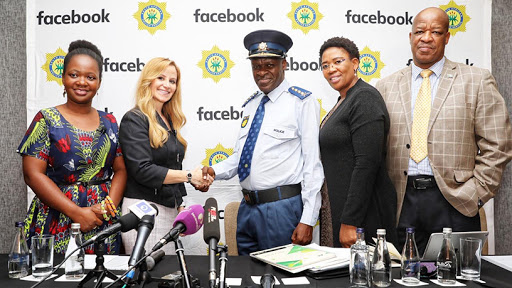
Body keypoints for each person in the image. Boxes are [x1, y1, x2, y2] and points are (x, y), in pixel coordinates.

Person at [376, 7, 512, 255]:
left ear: (447, 37)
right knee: (403, 277)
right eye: (419, 31)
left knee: (458, 277)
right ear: (410, 37)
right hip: (401, 204)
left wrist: (475, 194)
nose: (426, 37)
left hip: (456, 202)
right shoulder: (386, 86)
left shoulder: (476, 80)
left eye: (435, 31)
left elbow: (498, 145)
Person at [199, 29, 324, 255]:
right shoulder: (251, 105)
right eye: (257, 66)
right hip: (247, 210)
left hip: (282, 210)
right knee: (248, 277)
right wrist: (213, 171)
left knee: (281, 278)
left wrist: (308, 219)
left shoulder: (301, 102)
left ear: (284, 64)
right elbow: (241, 157)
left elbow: (313, 165)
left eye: (269, 65)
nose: (262, 72)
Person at [17, 40, 127, 254]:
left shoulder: (110, 122)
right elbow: (32, 175)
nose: (82, 82)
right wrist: (77, 213)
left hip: (102, 221)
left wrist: (107, 207)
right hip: (56, 218)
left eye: (90, 77)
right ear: (63, 78)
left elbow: (121, 169)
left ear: (99, 82)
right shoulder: (45, 119)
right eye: (74, 75)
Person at [119, 57, 211, 255]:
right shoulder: (134, 119)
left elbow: (171, 167)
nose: (167, 85)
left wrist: (180, 207)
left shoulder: (169, 120)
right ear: (148, 81)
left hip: (169, 211)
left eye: (172, 81)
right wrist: (189, 176)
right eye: (161, 78)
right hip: (143, 213)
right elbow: (142, 170)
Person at [318, 37, 397, 248]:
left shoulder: (364, 98)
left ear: (355, 63)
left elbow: (367, 164)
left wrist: (350, 222)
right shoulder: (344, 99)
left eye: (338, 61)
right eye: (325, 66)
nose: (331, 69)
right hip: (340, 208)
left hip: (361, 218)